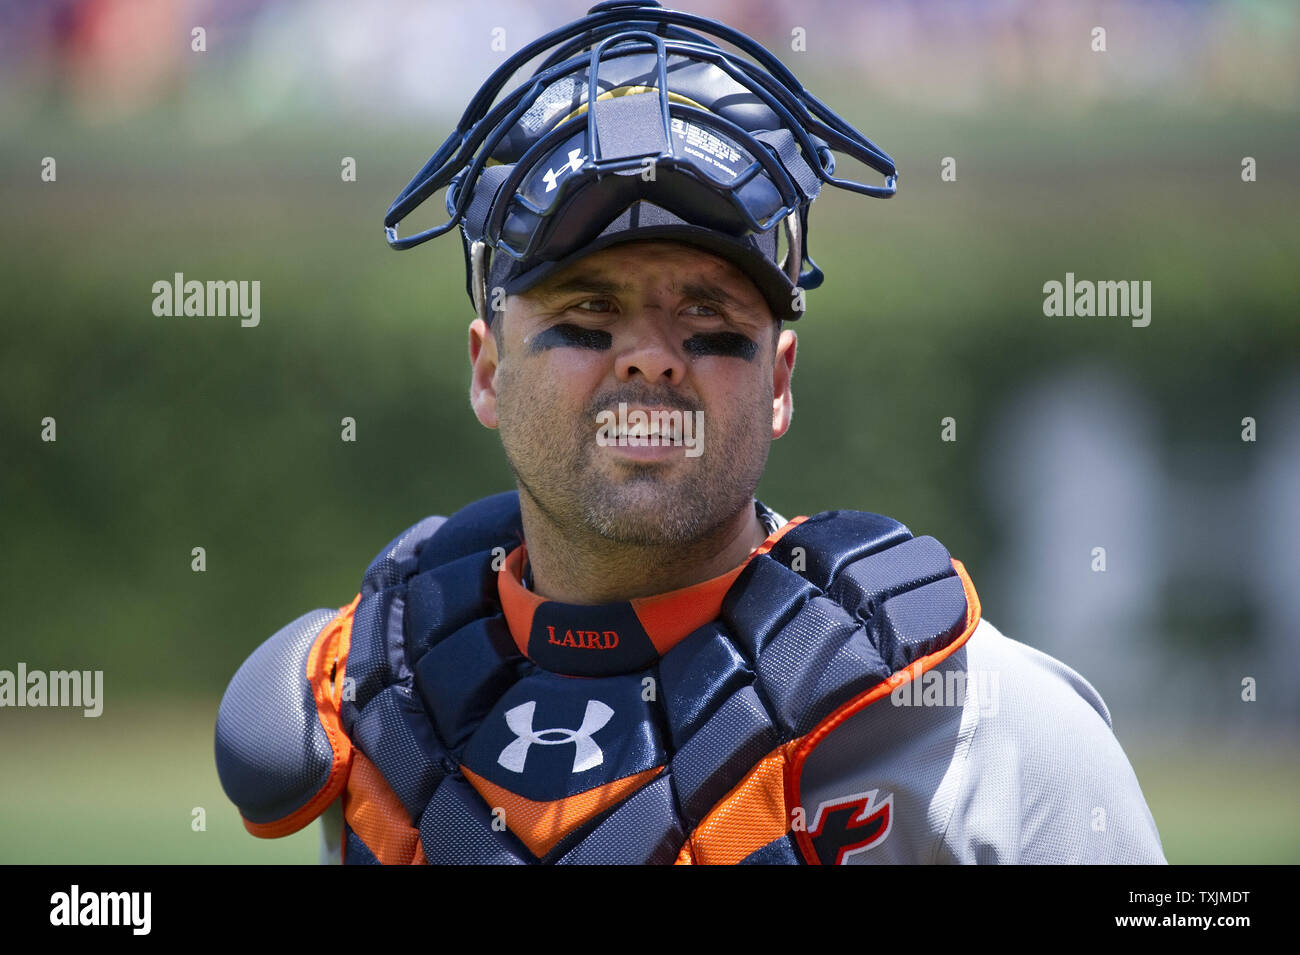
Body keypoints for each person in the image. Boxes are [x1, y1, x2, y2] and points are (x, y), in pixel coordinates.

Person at [215, 1, 1166, 865]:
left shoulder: (979, 726)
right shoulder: (382, 706)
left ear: (780, 383)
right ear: (488, 371)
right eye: (588, 312)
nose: (652, 359)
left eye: (707, 319)